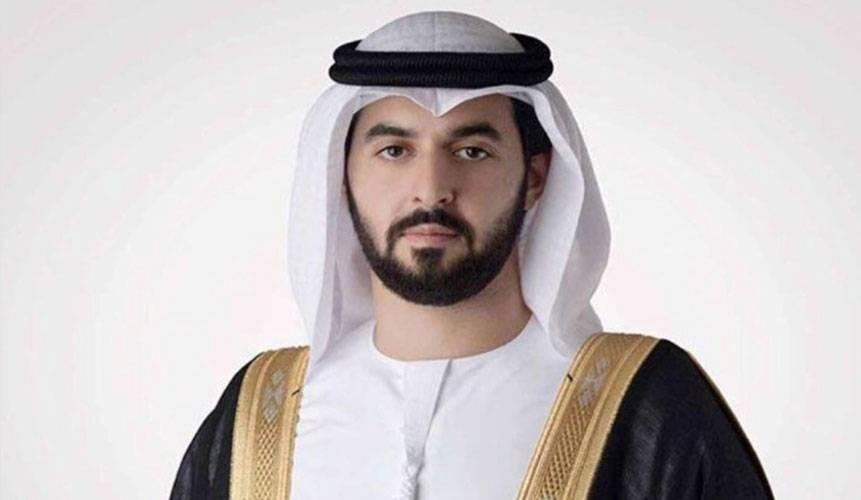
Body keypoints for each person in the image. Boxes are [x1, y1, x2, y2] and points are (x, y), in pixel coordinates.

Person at [170, 11, 774, 500]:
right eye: (394, 151)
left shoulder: (643, 405)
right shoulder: (259, 414)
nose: (431, 189)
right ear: (341, 176)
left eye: (472, 151)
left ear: (534, 178)